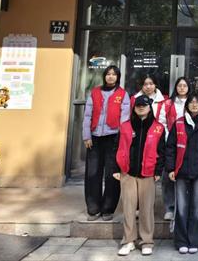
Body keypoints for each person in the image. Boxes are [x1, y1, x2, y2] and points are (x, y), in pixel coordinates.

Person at [114, 95, 166, 256]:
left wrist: (158, 171)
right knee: (128, 208)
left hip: (148, 173)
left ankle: (146, 241)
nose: (141, 107)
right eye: (138, 105)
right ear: (134, 108)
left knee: (146, 209)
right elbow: (116, 147)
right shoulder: (125, 126)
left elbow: (162, 152)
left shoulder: (158, 128)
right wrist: (115, 169)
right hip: (127, 172)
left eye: (144, 105)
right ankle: (128, 241)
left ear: (150, 107)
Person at [166, 92, 198, 254]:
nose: (194, 104)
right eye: (191, 102)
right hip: (181, 171)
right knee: (181, 206)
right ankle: (181, 241)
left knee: (197, 206)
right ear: (187, 105)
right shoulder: (179, 123)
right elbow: (170, 147)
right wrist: (171, 168)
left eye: (197, 102)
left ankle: (195, 240)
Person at [82, 65, 130, 221]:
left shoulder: (123, 94)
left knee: (112, 174)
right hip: (95, 137)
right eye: (108, 74)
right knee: (92, 173)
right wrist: (86, 136)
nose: (110, 77)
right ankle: (93, 208)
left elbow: (124, 120)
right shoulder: (95, 92)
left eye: (114, 74)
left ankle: (108, 209)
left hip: (113, 138)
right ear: (104, 76)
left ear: (118, 77)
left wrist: (121, 140)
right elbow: (87, 115)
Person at [159, 77, 190, 221]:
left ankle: (185, 206)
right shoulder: (168, 103)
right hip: (170, 144)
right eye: (179, 85)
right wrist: (169, 137)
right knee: (168, 176)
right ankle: (170, 207)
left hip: (189, 145)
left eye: (185, 85)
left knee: (187, 176)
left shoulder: (194, 102)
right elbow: (161, 122)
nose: (182, 88)